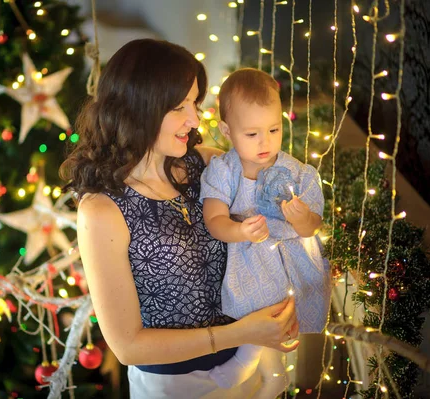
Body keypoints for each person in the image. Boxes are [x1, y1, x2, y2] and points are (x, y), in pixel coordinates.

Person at [60, 40, 300, 398]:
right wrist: (244, 333)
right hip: (174, 387)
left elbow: (274, 217)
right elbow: (128, 347)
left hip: (250, 366)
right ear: (139, 109)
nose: (195, 119)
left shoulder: (207, 164)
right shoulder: (101, 210)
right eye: (179, 107)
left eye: (195, 103)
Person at [200, 68, 332, 389]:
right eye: (252, 134)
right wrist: (241, 232)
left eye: (274, 129)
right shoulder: (224, 170)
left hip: (295, 264)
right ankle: (259, 374)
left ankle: (283, 377)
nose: (265, 142)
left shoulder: (297, 172)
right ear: (228, 131)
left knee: (295, 324)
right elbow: (214, 220)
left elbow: (312, 225)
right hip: (252, 265)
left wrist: (301, 218)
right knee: (261, 332)